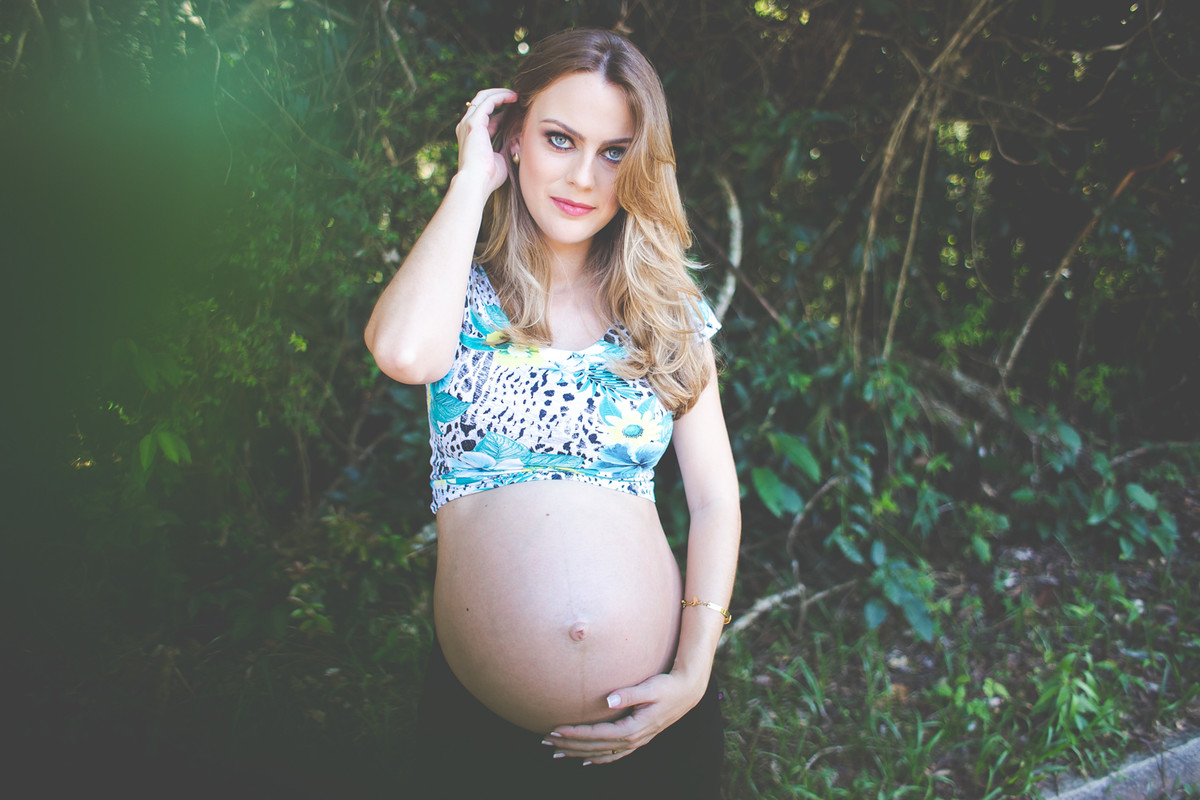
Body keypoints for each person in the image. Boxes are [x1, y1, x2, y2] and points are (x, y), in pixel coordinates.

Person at [364, 28, 740, 799]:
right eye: (559, 138)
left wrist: (694, 671)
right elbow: (402, 353)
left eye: (613, 152)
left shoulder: (665, 309)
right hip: (484, 735)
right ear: (513, 136)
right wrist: (473, 180)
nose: (581, 177)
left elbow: (713, 498)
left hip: (656, 720)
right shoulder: (457, 293)